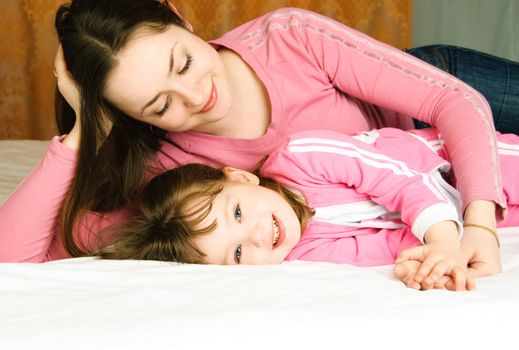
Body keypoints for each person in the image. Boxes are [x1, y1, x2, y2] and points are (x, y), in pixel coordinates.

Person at [1, 0, 518, 279]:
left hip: (439, 101)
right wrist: (81, 130)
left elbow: (449, 103)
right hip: (427, 182)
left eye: (182, 61)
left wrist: (478, 227)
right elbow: (13, 257)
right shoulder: (168, 173)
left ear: (178, 16)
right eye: (160, 105)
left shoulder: (287, 38)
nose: (195, 95)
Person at [96, 127, 519, 291]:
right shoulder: (300, 254)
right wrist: (420, 263)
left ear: (241, 178)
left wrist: (443, 239)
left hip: (466, 169)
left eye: (239, 214)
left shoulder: (301, 156)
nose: (258, 236)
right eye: (239, 253)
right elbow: (387, 247)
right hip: (480, 220)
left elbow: (403, 179)